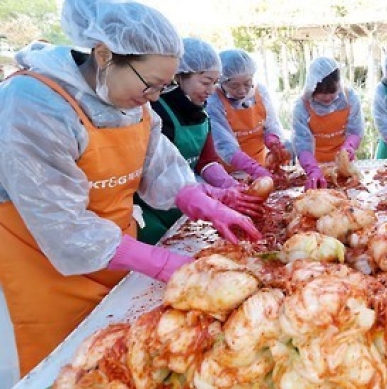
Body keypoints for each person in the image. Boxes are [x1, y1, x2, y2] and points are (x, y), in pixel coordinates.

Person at [0, 0, 262, 374]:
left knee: (133, 358)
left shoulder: (131, 101)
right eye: (150, 84)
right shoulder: (32, 105)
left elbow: (160, 166)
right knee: (70, 369)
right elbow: (63, 225)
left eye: (165, 85)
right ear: (105, 55)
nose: (156, 96)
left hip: (120, 256)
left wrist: (204, 203)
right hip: (44, 271)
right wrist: (163, 263)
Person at [135, 38, 262, 245]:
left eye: (215, 82)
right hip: (151, 213)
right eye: (205, 82)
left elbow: (206, 160)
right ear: (180, 76)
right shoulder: (158, 112)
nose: (211, 90)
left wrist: (227, 184)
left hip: (189, 205)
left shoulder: (201, 112)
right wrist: (210, 194)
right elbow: (155, 172)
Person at [207, 49, 290, 179]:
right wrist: (252, 168)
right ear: (221, 82)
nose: (242, 90)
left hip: (260, 164)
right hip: (228, 173)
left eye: (247, 83)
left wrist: (273, 140)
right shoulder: (214, 101)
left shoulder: (260, 91)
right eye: (234, 86)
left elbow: (271, 124)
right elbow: (224, 145)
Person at [292, 57, 364, 189]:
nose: (327, 97)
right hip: (313, 163)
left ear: (339, 83)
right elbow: (301, 143)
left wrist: (349, 146)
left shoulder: (350, 97)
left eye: (332, 92)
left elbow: (355, 130)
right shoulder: (302, 106)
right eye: (321, 93)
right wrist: (312, 169)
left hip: (344, 164)